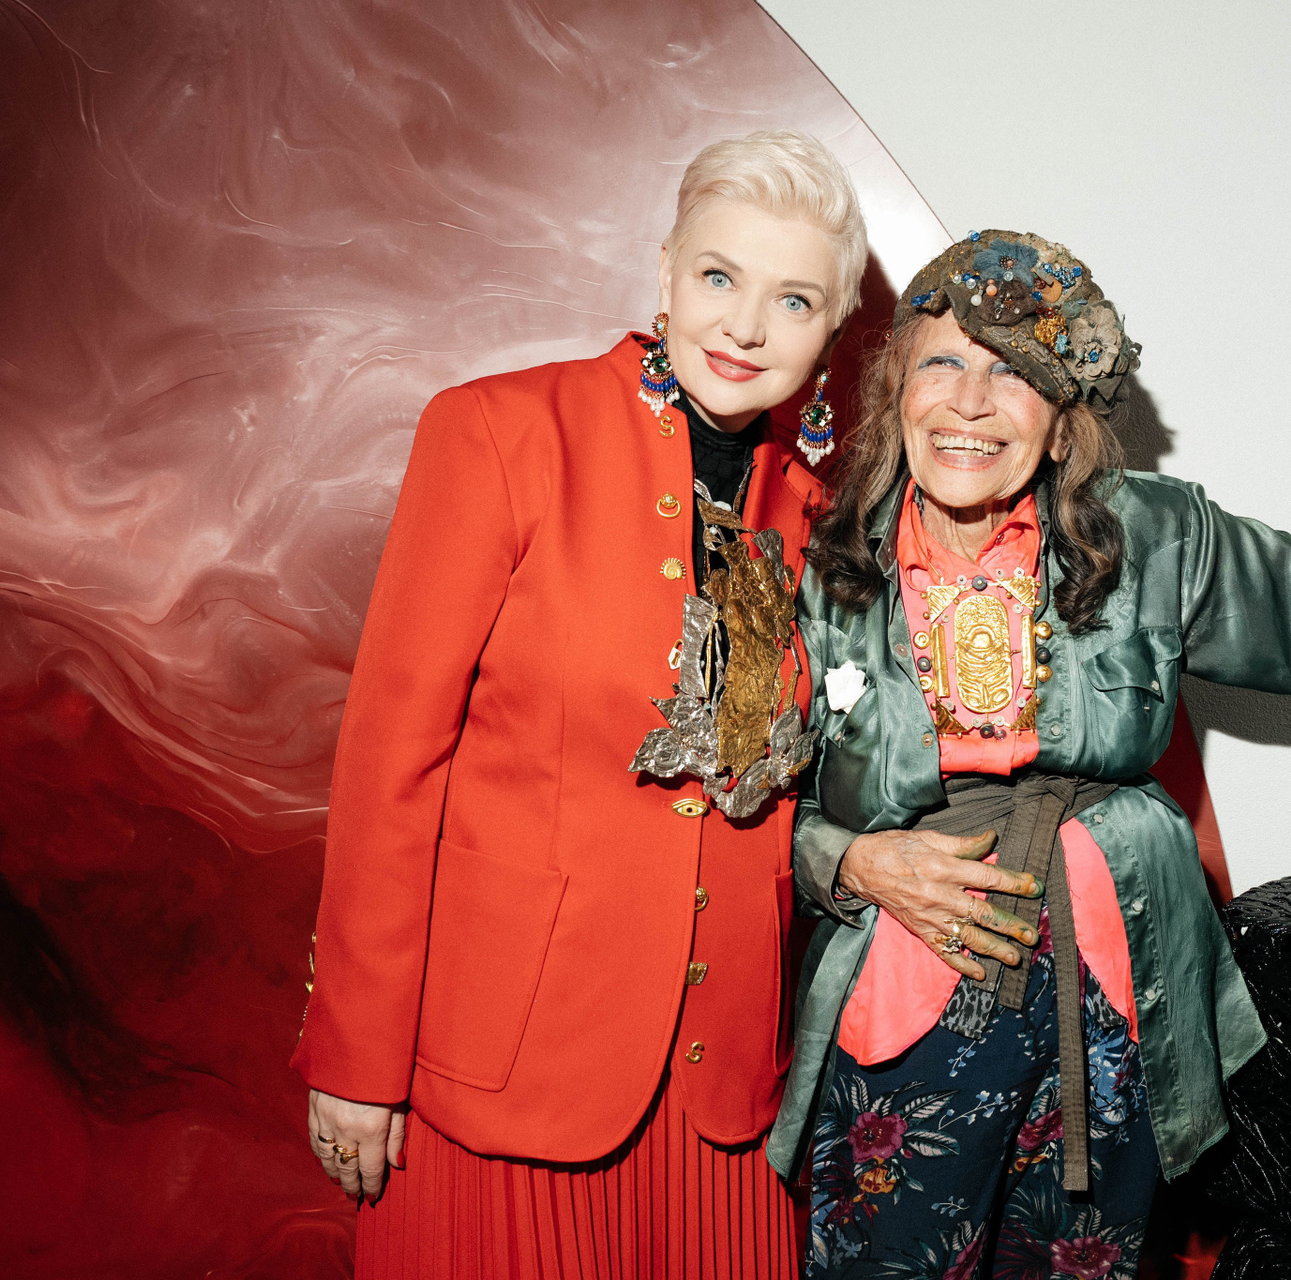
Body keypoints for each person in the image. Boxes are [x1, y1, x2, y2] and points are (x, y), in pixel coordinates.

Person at [768, 231, 1291, 1275]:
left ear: (1063, 421)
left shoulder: (1157, 538)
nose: (969, 402)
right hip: (906, 999)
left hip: (1118, 991)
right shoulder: (821, 558)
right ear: (896, 389)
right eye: (942, 362)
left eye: (1015, 373)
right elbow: (754, 812)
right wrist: (852, 860)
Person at [292, 131, 867, 1276]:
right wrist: (356, 1053)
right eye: (719, 276)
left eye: (793, 299)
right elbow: (389, 762)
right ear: (665, 274)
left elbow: (774, 780)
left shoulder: (814, 510)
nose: (746, 326)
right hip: (509, 1062)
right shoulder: (499, 432)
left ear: (831, 331)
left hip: (721, 1092)